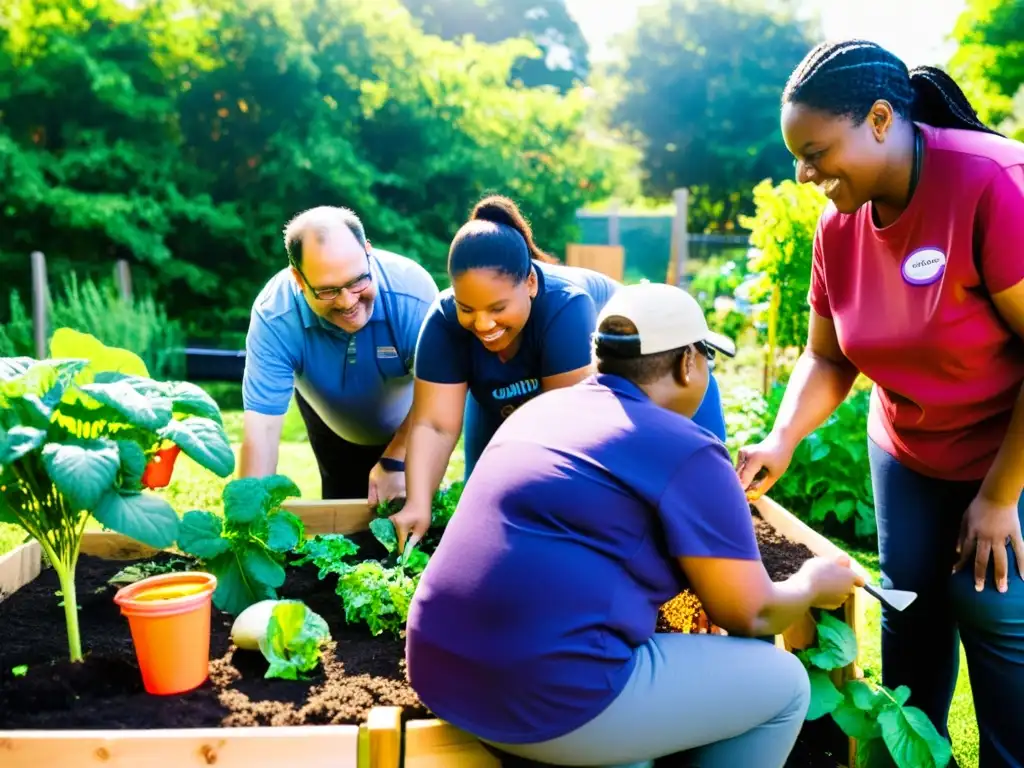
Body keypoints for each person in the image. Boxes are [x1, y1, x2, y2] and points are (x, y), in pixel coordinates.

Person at [405, 281, 862, 768]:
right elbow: (750, 614)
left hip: (440, 670)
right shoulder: (687, 448)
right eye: (706, 357)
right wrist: (812, 584)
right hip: (544, 698)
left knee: (634, 746)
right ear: (689, 362)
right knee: (784, 684)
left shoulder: (539, 412)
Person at [736, 39, 1024, 766]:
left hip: (1009, 442)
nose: (804, 174)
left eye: (815, 150)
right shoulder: (840, 226)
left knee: (993, 605)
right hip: (911, 444)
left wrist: (997, 499)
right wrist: (783, 437)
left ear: (879, 118)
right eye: (797, 157)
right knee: (912, 610)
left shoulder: (992, 184)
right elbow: (827, 357)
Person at [390, 194, 728, 550]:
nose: (482, 322)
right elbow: (434, 424)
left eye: (497, 307)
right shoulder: (444, 322)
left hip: (642, 381)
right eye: (467, 308)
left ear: (531, 284)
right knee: (485, 505)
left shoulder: (565, 307)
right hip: (508, 391)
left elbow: (567, 435)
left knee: (687, 504)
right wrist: (418, 503)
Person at [240, 205, 438, 505]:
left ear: (368, 252)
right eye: (328, 291)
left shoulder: (414, 294)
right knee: (343, 524)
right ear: (298, 278)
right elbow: (262, 432)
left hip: (412, 418)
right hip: (329, 417)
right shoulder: (275, 316)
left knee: (413, 518)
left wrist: (397, 459)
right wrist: (247, 520)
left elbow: (441, 396)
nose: (348, 302)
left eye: (358, 280)